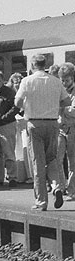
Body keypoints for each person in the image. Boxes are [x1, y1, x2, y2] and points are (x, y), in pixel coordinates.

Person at [14, 53, 71, 211]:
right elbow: (66, 101)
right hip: (53, 124)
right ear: (45, 65)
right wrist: (53, 105)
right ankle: (57, 186)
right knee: (52, 159)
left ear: (32, 66)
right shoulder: (55, 81)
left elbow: (17, 101)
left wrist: (27, 105)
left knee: (38, 163)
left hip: (35, 123)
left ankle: (41, 201)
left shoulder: (27, 81)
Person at [57, 63, 75, 200]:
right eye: (62, 80)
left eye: (67, 80)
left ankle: (71, 190)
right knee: (56, 158)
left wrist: (63, 109)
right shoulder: (59, 91)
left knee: (72, 161)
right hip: (60, 129)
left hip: (72, 128)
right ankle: (60, 187)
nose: (64, 83)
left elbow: (73, 111)